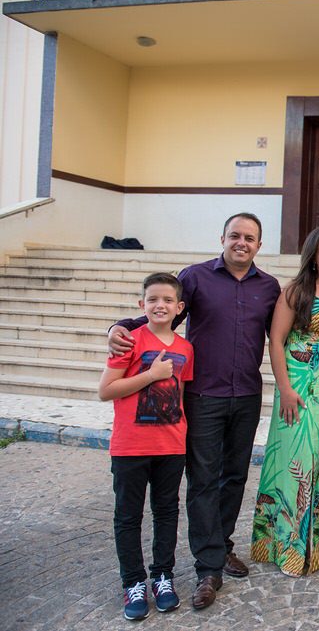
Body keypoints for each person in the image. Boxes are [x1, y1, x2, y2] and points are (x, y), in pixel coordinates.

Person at [108, 213, 280, 610]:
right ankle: (208, 568)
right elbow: (162, 311)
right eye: (234, 235)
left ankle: (222, 546)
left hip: (247, 394)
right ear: (222, 239)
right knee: (203, 479)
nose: (241, 243)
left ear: (259, 245)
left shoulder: (269, 287)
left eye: (249, 238)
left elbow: (281, 335)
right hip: (202, 395)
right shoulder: (196, 277)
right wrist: (120, 326)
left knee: (234, 476)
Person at [250, 225, 319, 576]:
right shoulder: (295, 292)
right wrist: (285, 389)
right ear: (312, 257)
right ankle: (288, 547)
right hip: (298, 386)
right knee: (298, 461)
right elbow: (276, 341)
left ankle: (317, 545)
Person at [99, 273, 194, 621]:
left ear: (179, 307)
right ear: (142, 304)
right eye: (153, 299)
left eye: (168, 300)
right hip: (130, 445)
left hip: (170, 445)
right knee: (128, 516)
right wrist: (151, 375)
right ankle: (133, 582)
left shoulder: (186, 348)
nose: (160, 305)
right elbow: (106, 390)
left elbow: (179, 394)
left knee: (166, 512)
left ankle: (163, 576)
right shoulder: (129, 341)